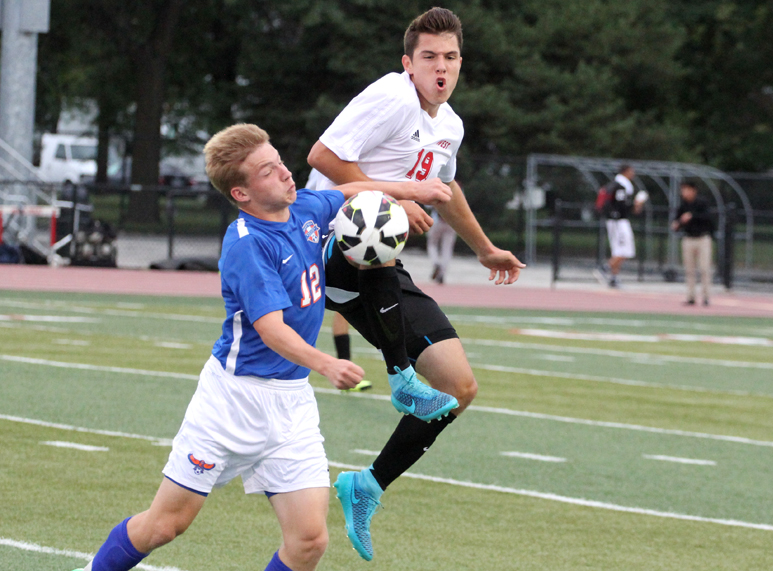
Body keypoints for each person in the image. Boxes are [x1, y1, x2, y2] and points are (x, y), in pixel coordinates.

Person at [72, 123, 452, 571]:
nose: (286, 174)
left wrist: (410, 190)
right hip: (232, 401)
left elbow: (351, 188)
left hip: (290, 404)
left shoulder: (306, 208)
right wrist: (326, 364)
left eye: (280, 162)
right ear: (241, 194)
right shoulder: (247, 246)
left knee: (309, 541)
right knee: (165, 525)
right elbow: (272, 330)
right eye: (268, 171)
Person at [307, 7, 525, 561]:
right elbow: (323, 158)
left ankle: (368, 486)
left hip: (376, 259)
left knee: (458, 389)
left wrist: (485, 249)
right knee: (383, 216)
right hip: (327, 242)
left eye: (450, 57)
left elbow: (445, 192)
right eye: (429, 57)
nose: (441, 67)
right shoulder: (392, 96)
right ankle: (400, 373)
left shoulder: (448, 124)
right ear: (409, 63)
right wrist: (399, 196)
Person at [306, 168, 371, 391]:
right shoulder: (325, 167)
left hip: (341, 239)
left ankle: (346, 367)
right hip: (320, 240)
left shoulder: (357, 165)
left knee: (343, 307)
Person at [596, 165, 643, 287]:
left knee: (619, 250)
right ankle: (604, 269)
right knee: (624, 250)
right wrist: (635, 204)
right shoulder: (620, 186)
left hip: (616, 221)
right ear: (625, 171)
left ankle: (614, 277)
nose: (633, 173)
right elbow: (621, 205)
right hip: (618, 221)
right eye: (631, 171)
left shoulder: (617, 185)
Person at [671, 180, 715, 306]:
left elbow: (708, 218)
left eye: (685, 189)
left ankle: (706, 297)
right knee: (689, 269)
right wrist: (677, 223)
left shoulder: (702, 202)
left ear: (693, 190)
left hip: (702, 238)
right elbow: (677, 220)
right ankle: (691, 297)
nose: (683, 193)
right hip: (688, 238)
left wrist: (692, 216)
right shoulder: (683, 205)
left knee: (704, 268)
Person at [427, 208, 457, 284]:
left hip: (437, 220)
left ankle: (436, 262)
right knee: (447, 249)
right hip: (452, 222)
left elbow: (428, 205)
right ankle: (442, 273)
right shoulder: (460, 196)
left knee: (432, 244)